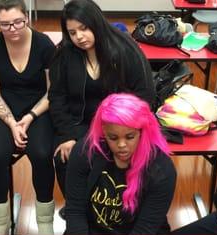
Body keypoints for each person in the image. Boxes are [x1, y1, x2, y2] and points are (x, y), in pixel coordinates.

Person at [49, 0, 156, 199]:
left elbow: (145, 95)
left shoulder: (126, 49)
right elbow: (56, 97)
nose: (79, 37)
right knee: (64, 156)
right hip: (78, 124)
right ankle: (78, 208)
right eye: (72, 33)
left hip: (120, 126)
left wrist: (120, 132)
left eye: (84, 28)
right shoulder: (64, 53)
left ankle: (115, 207)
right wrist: (66, 135)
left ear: (96, 23)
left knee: (116, 158)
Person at [0, 0, 56, 235]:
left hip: (39, 108)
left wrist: (31, 117)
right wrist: (13, 123)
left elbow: (52, 92)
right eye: (5, 25)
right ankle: (0, 221)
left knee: (42, 153)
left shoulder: (44, 45)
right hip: (4, 110)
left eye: (17, 22)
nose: (12, 29)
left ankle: (44, 220)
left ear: (27, 17)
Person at [65, 93, 176, 235]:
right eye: (113, 138)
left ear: (142, 132)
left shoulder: (161, 169)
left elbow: (145, 230)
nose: (121, 145)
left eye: (130, 137)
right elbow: (75, 210)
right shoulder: (84, 153)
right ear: (103, 131)